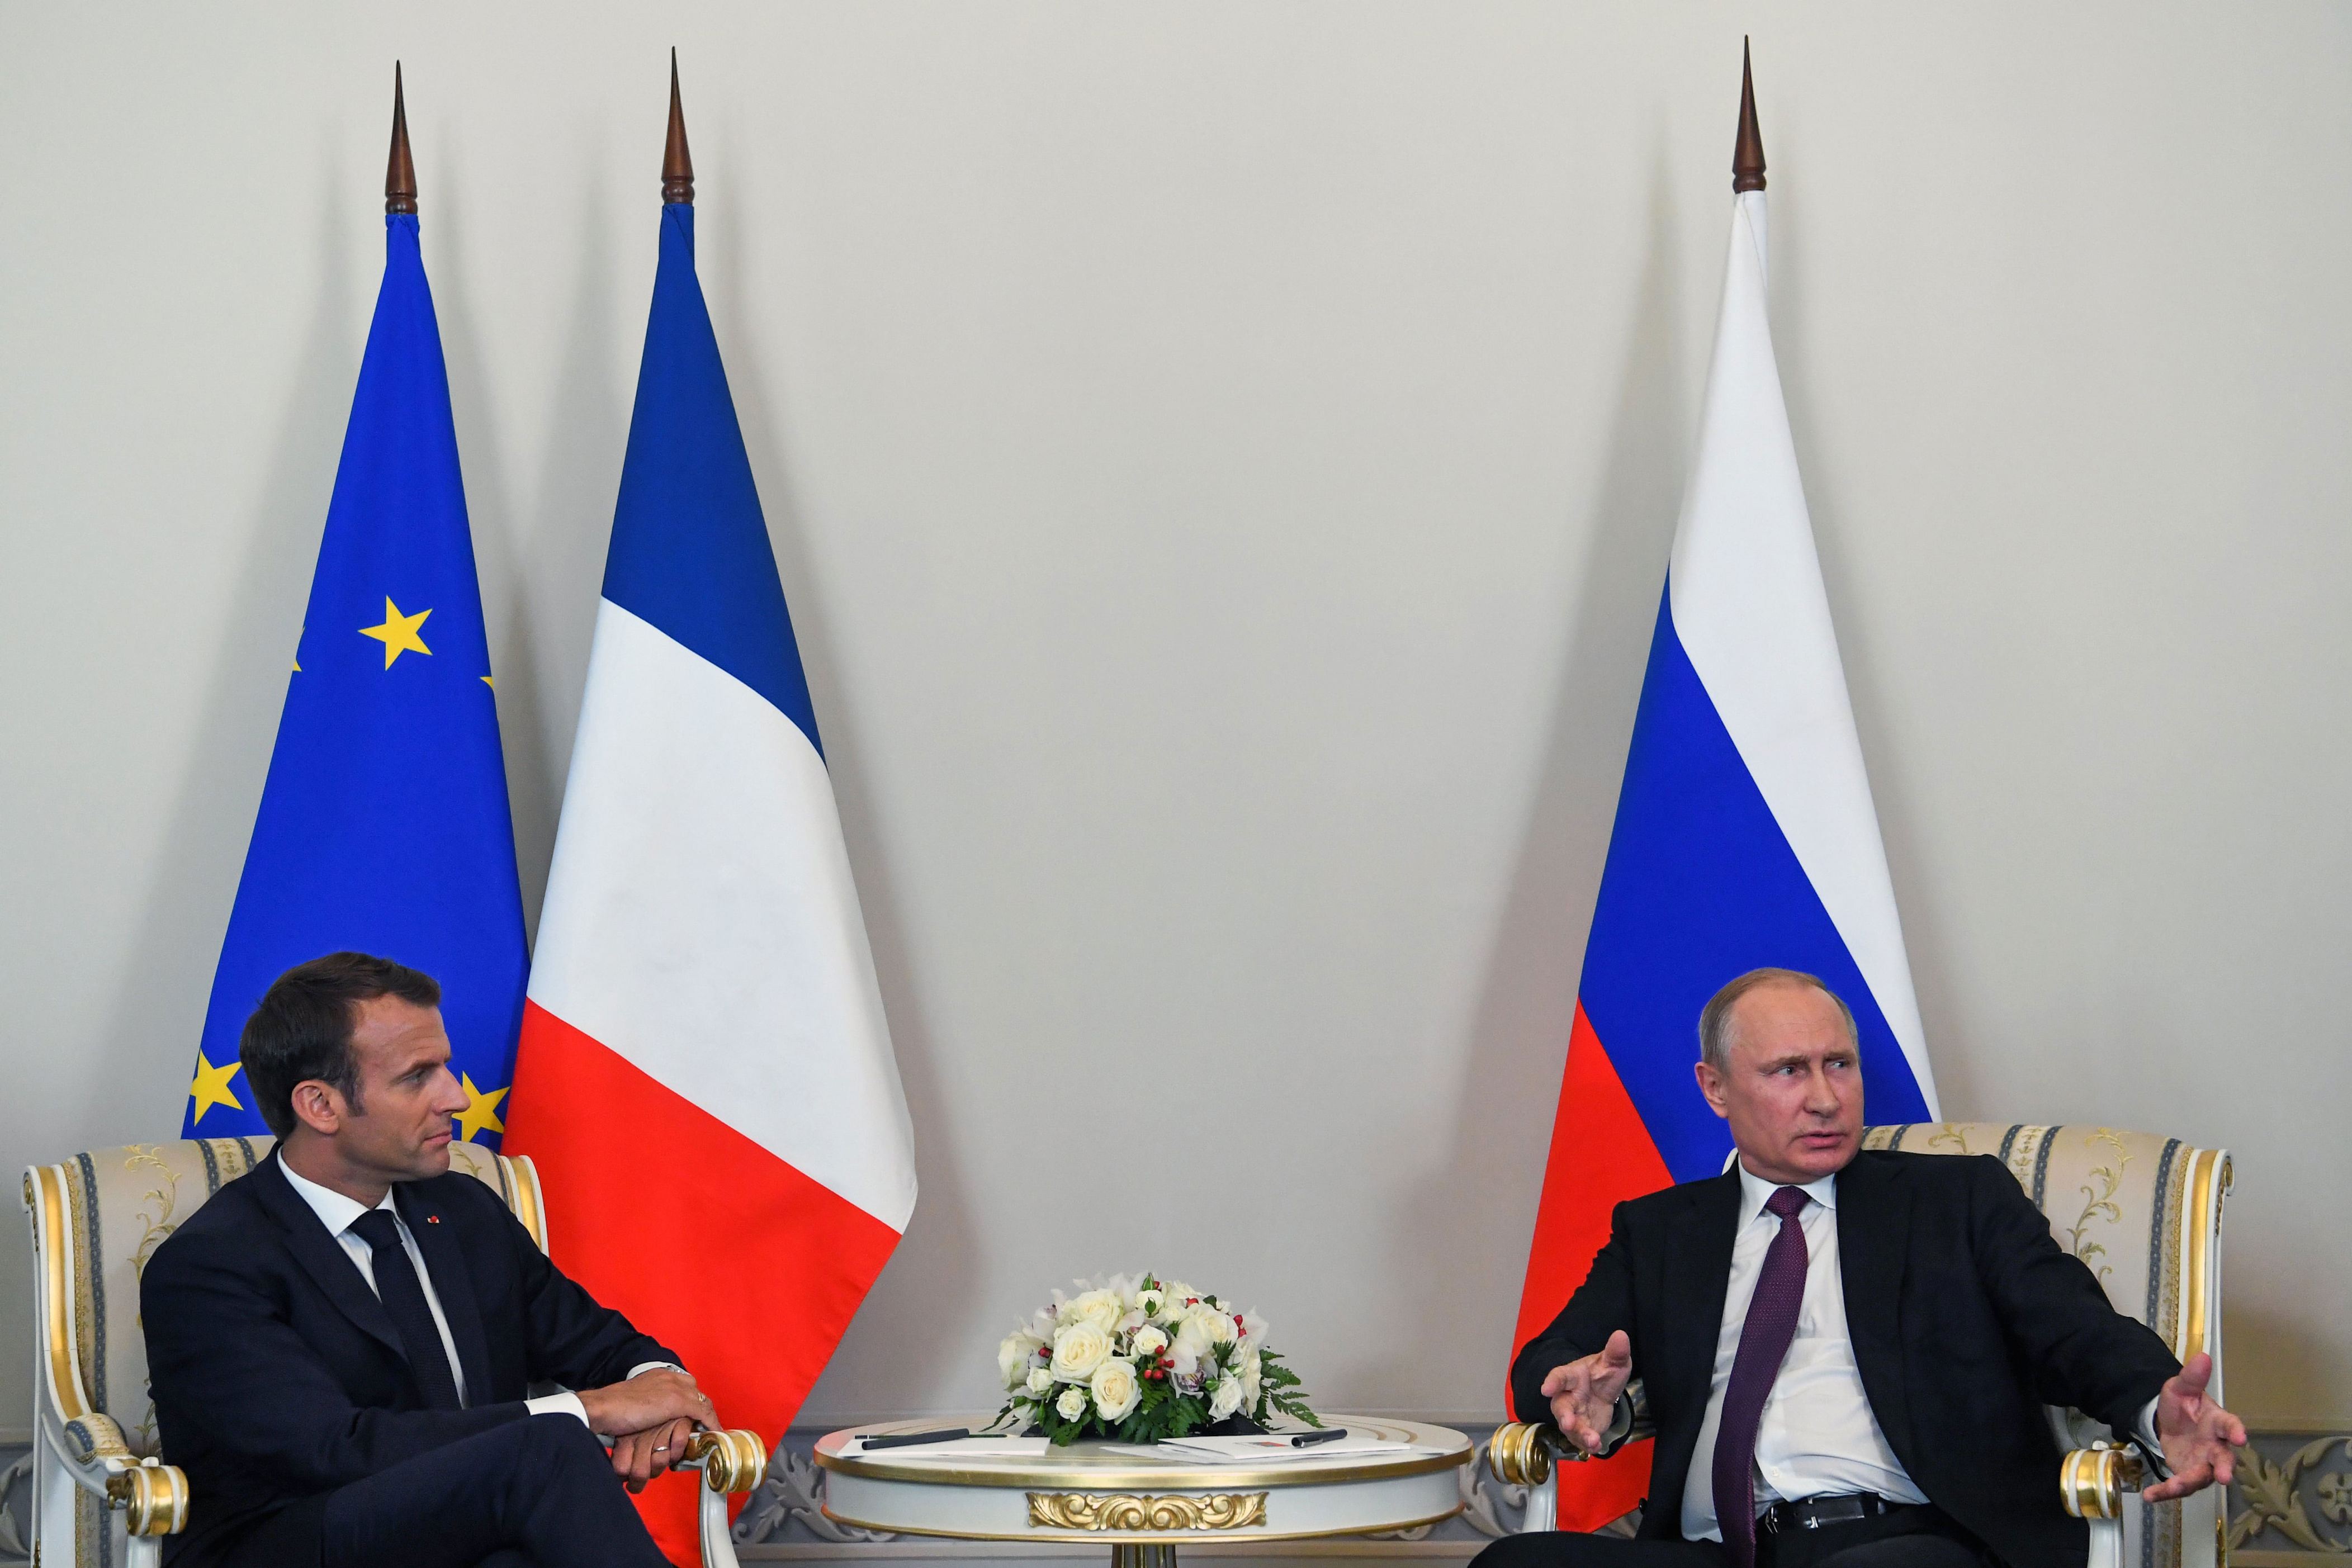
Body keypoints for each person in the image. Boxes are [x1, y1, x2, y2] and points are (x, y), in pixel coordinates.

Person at [1479, 968, 2244, 1568]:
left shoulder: (1954, 1199)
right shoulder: (1660, 1232)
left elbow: (2073, 1332)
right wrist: (1575, 1390)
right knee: (1515, 1561)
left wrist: (2153, 1403)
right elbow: (1548, 1362)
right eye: (1787, 1071)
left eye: (1838, 1064)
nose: (1823, 1097)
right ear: (1714, 1089)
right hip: (1712, 1551)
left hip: (1907, 1539)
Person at [143, 953, 722, 1568]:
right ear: (320, 1105)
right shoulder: (210, 1266)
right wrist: (592, 1409)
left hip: (462, 1526)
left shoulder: (463, 1209)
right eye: (418, 1076)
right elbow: (333, 1452)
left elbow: (601, 1344)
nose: (455, 1096)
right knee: (546, 1450)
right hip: (291, 1541)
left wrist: (655, 1391)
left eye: (444, 1066)